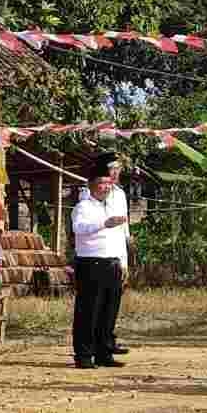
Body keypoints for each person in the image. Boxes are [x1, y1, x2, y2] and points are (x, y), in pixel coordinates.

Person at [71, 171, 128, 369]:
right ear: (92, 185)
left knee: (108, 310)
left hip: (112, 263)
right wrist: (104, 223)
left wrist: (122, 261)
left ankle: (104, 352)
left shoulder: (111, 207)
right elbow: (79, 228)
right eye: (102, 183)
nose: (106, 187)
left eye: (108, 183)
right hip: (91, 264)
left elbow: (118, 237)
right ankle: (84, 355)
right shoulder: (83, 207)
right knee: (89, 310)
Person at [79, 152, 131, 356]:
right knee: (93, 306)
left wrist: (124, 258)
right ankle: (91, 347)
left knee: (111, 302)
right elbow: (84, 224)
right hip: (95, 254)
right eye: (112, 169)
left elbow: (123, 229)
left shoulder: (119, 194)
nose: (116, 174)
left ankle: (107, 342)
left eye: (119, 170)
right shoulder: (88, 196)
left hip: (115, 251)